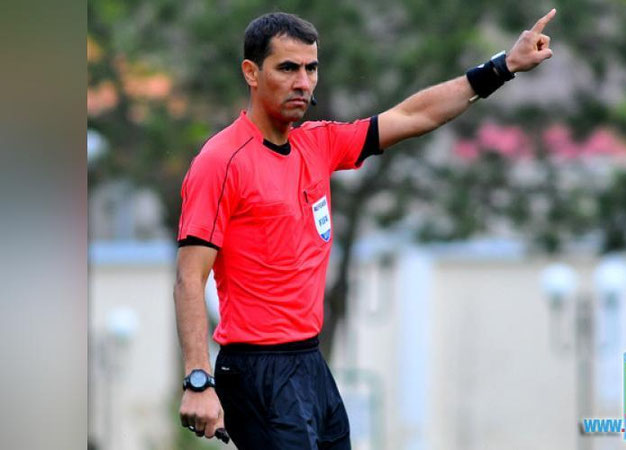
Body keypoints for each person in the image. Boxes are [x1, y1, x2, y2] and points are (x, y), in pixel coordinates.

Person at [174, 9, 556, 449]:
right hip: (256, 369)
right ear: (251, 73)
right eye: (288, 68)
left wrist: (503, 67)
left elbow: (412, 116)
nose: (303, 82)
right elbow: (189, 278)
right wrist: (198, 380)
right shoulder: (221, 160)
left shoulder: (317, 143)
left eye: (311, 68)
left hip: (309, 362)